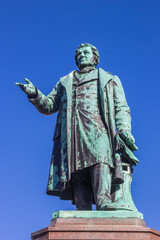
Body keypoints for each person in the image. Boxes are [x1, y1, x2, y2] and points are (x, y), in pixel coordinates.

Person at [16, 43, 138, 210]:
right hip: (72, 132)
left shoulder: (109, 79)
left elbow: (121, 107)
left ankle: (104, 201)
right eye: (79, 54)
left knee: (101, 161)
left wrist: (124, 129)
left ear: (95, 57)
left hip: (99, 129)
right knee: (76, 170)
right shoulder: (65, 81)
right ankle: (82, 208)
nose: (82, 55)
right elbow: (49, 106)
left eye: (86, 52)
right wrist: (35, 94)